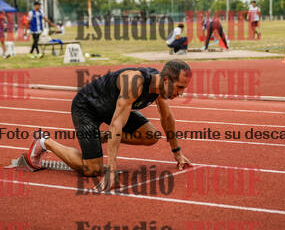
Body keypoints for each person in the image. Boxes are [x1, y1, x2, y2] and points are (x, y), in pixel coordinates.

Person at [25, 60, 193, 191]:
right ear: (166, 80)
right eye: (179, 87)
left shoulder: (160, 87)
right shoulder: (135, 82)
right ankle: (44, 142)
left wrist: (177, 153)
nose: (181, 93)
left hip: (110, 109)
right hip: (87, 107)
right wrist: (112, 169)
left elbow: (167, 118)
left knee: (151, 136)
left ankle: (102, 137)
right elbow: (117, 123)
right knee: (92, 169)